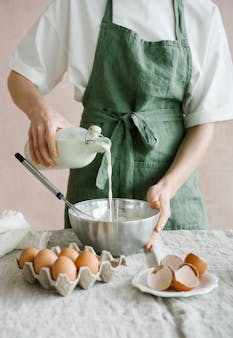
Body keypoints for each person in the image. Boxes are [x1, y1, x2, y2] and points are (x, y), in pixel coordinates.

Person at [8, 0, 233, 250]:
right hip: (94, 195)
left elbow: (203, 123)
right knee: (91, 278)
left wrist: (168, 187)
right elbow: (20, 77)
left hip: (173, 196)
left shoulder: (201, 13)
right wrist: (40, 111)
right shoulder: (78, 6)